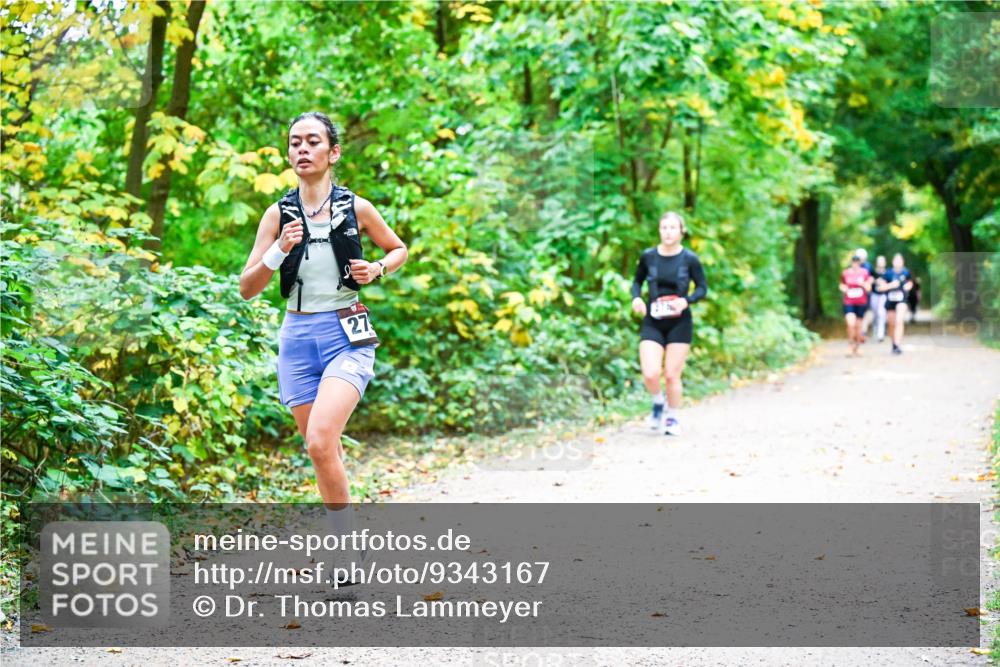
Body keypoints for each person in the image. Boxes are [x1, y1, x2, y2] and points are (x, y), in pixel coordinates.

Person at [239, 112, 407, 584]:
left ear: (332, 153)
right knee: (321, 449)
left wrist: (377, 269)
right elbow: (247, 287)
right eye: (295, 143)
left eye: (313, 142)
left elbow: (398, 249)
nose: (302, 150)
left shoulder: (357, 208)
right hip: (295, 340)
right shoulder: (277, 214)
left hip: (344, 334)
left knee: (318, 439)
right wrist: (278, 251)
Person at [631, 211, 708, 436]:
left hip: (680, 323)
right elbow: (636, 281)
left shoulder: (690, 259)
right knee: (650, 373)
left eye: (673, 228)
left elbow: (702, 287)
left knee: (672, 375)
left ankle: (672, 417)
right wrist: (636, 298)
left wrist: (686, 301)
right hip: (653, 321)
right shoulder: (649, 256)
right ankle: (658, 402)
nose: (668, 232)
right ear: (659, 231)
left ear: (681, 231)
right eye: (664, 228)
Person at [877, 253, 913, 355]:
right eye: (896, 260)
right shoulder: (888, 273)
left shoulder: (906, 272)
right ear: (893, 262)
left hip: (902, 300)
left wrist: (908, 286)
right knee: (892, 324)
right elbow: (880, 287)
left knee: (899, 321)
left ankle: (897, 344)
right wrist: (891, 285)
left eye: (900, 260)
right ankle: (894, 343)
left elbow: (910, 283)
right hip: (890, 300)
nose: (898, 262)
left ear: (903, 262)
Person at [840, 253, 872, 356]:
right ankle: (850, 345)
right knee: (850, 324)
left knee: (858, 326)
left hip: (861, 302)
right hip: (849, 302)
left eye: (857, 262)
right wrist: (843, 288)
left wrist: (862, 284)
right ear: (851, 263)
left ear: (859, 263)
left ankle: (857, 347)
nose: (855, 264)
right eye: (853, 262)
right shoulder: (845, 273)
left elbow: (869, 288)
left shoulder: (865, 273)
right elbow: (842, 285)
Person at [865, 255, 888, 342]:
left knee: (881, 313)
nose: (880, 263)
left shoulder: (887, 273)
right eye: (879, 261)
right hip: (874, 295)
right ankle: (875, 327)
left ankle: (880, 333)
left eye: (882, 261)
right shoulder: (872, 272)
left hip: (883, 295)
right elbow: (869, 282)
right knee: (875, 313)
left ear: (885, 263)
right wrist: (873, 281)